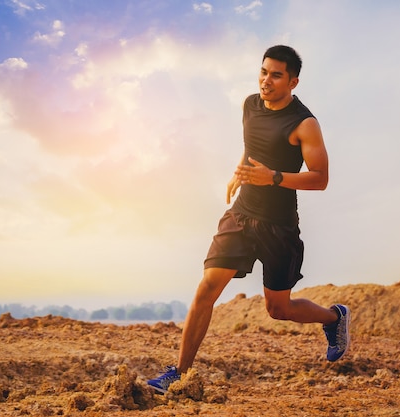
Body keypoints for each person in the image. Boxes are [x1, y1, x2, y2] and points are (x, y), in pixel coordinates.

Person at [147, 45, 350, 394]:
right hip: (241, 215)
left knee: (278, 308)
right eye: (263, 71)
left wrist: (273, 177)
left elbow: (320, 178)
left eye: (275, 75)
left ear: (293, 81)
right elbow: (252, 145)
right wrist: (238, 174)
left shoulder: (304, 124)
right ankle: (178, 373)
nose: (266, 81)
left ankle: (334, 317)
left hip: (279, 226)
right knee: (206, 288)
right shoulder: (250, 105)